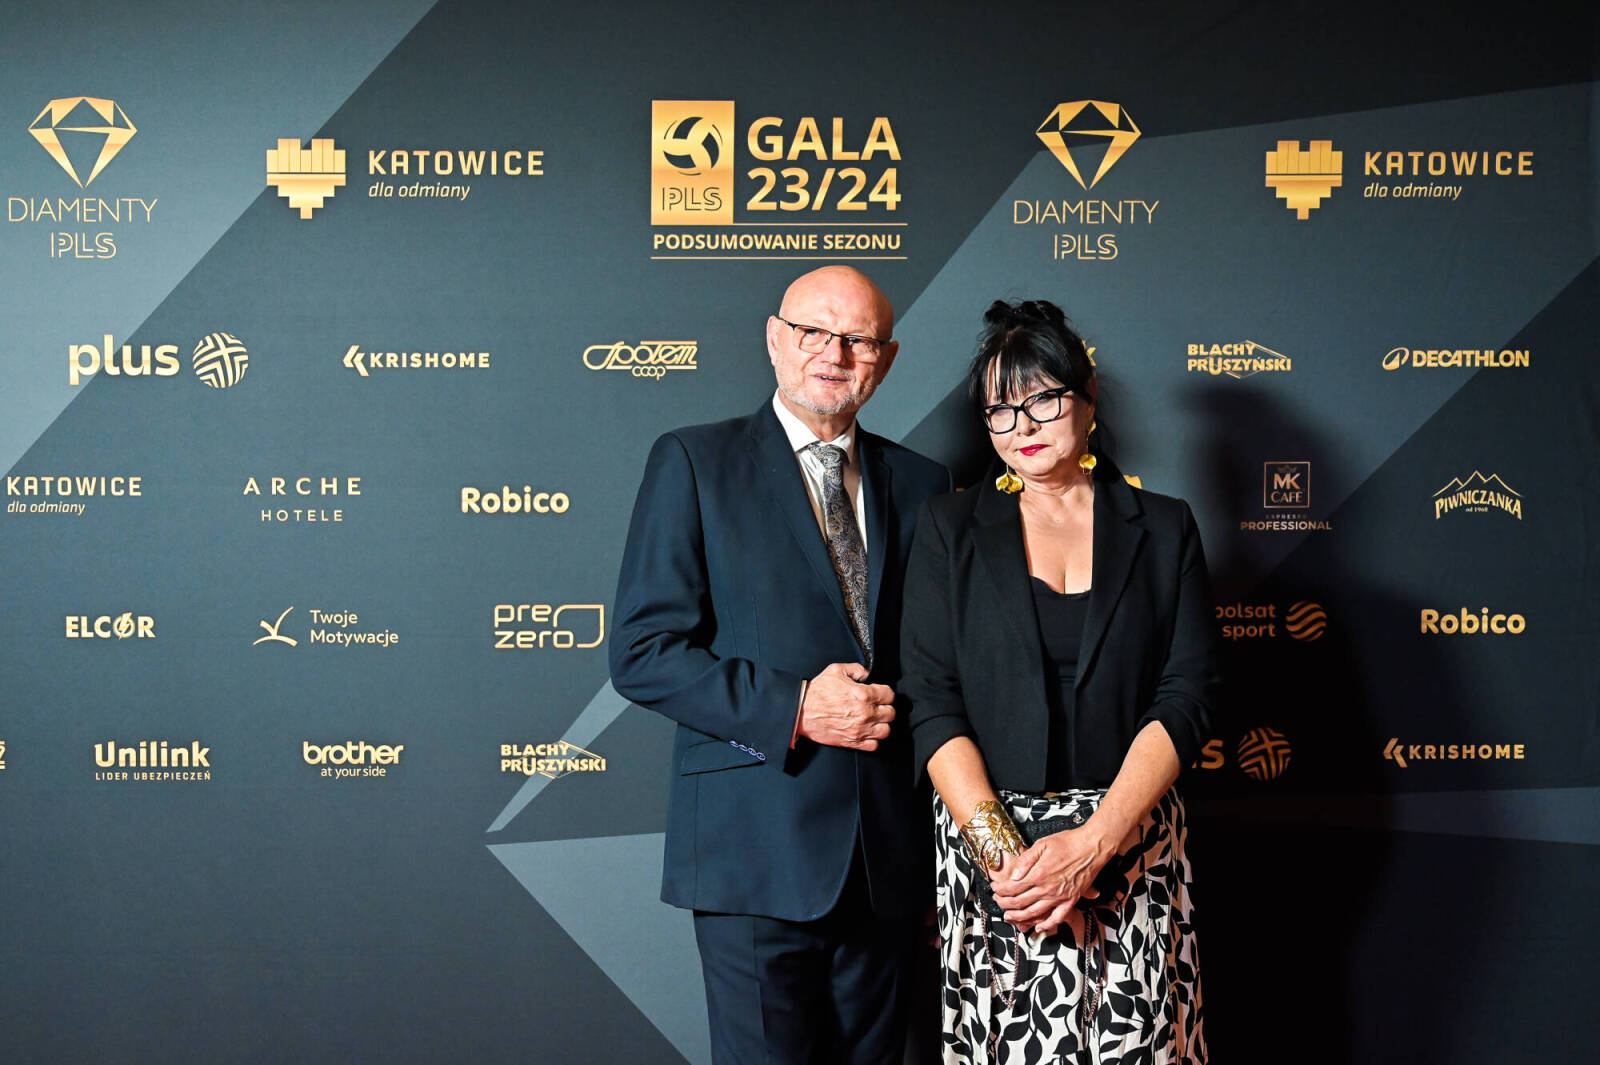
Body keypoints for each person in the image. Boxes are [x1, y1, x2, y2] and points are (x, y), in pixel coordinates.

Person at [609, 265, 950, 1065]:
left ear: (886, 358)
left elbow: (938, 665)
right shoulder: (695, 461)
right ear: (774, 339)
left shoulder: (924, 483)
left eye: (858, 338)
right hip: (753, 851)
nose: (834, 352)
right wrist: (797, 704)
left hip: (888, 860)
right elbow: (642, 651)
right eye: (812, 331)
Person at [899, 299, 1217, 1063]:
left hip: (1130, 843)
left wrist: (1095, 843)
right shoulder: (948, 529)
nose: (1024, 426)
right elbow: (932, 701)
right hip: (997, 865)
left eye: (1043, 398)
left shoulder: (1165, 526)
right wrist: (1012, 864)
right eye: (1001, 410)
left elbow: (1188, 693)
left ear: (1088, 395)